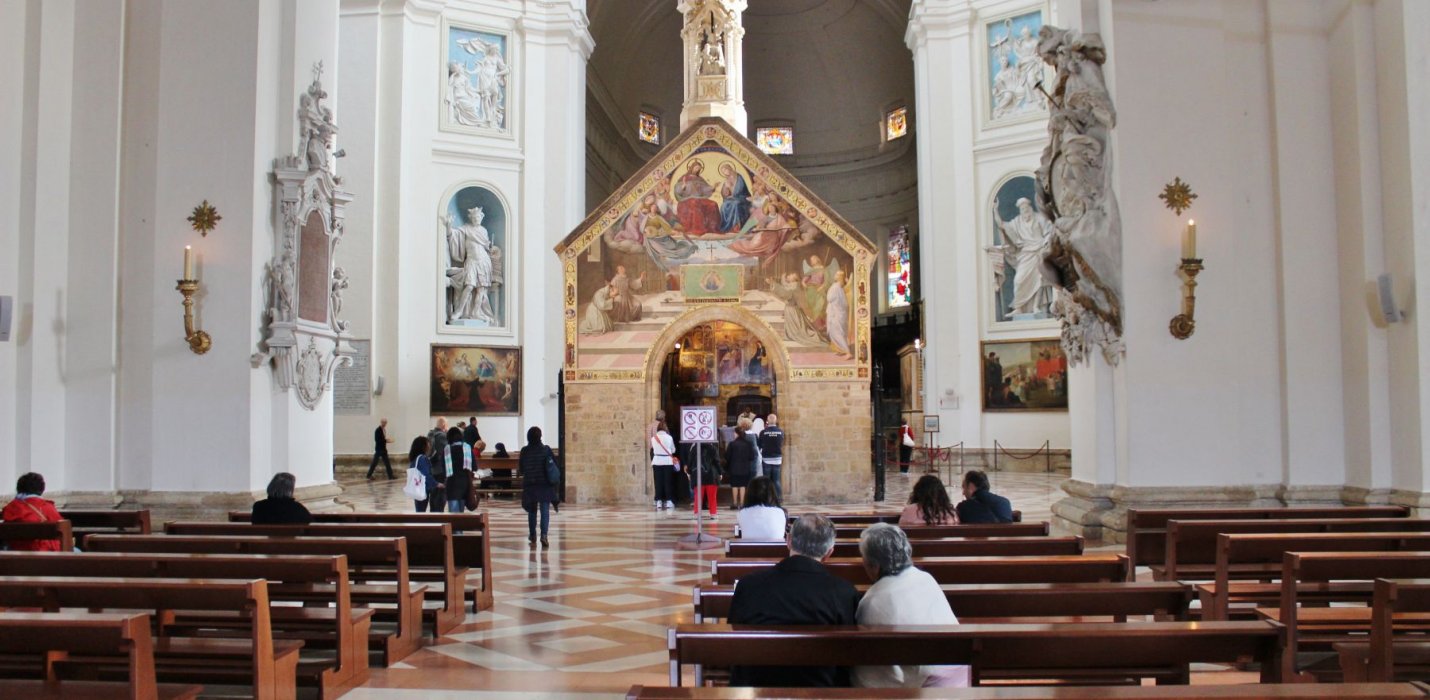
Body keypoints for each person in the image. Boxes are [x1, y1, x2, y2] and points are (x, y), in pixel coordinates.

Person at [728, 514, 860, 688]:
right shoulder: (844, 592)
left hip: (755, 688)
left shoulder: (749, 585)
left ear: (788, 541)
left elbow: (735, 637)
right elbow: (847, 652)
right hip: (821, 690)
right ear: (829, 553)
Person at [853, 524, 970, 688]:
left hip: (928, 684)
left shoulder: (874, 599)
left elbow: (873, 653)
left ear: (874, 566)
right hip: (959, 668)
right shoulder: (925, 578)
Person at [2, 472, 63, 551]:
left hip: (17, 554)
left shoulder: (10, 508)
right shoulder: (48, 507)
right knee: (77, 551)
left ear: (19, 488)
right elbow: (62, 529)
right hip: (47, 553)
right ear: (41, 489)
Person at [520, 426, 559, 547]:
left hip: (531, 484)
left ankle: (532, 535)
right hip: (545, 484)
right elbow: (554, 465)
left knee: (532, 511)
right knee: (545, 510)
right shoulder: (546, 450)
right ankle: (544, 535)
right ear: (540, 436)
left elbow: (521, 469)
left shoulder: (525, 451)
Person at [736, 476, 786, 541]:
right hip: (776, 550)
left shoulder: (742, 513)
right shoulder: (780, 512)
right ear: (771, 493)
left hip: (749, 550)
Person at [724, 416, 758, 506]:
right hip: (745, 468)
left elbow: (727, 456)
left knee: (735, 485)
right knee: (743, 485)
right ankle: (742, 503)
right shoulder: (748, 443)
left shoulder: (732, 444)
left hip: (734, 468)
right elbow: (752, 456)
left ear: (737, 434)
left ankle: (735, 503)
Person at [685, 440, 721, 519]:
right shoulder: (713, 448)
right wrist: (720, 472)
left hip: (698, 474)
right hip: (711, 475)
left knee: (698, 496)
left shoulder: (694, 448)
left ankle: (697, 513)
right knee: (712, 496)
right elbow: (717, 462)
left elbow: (690, 462)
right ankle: (713, 514)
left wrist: (689, 472)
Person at [445, 427, 474, 514]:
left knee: (453, 513)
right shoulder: (467, 449)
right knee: (460, 512)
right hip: (464, 483)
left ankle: (454, 527)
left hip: (451, 483)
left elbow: (443, 468)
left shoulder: (447, 450)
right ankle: (459, 527)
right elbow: (474, 467)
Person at [756, 414, 785, 499]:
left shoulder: (763, 432)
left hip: (766, 458)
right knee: (776, 480)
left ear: (767, 421)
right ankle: (778, 498)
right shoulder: (780, 431)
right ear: (776, 421)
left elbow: (759, 445)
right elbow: (781, 443)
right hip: (777, 458)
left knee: (766, 480)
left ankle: (766, 498)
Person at [650, 420, 677, 510]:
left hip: (657, 461)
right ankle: (669, 500)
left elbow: (653, 449)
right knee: (667, 482)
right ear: (666, 428)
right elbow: (673, 450)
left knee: (658, 482)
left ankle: (658, 501)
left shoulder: (653, 438)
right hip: (667, 461)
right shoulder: (669, 437)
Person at [408, 436, 434, 512]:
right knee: (421, 511)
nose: (429, 446)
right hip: (423, 488)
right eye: (428, 444)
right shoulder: (422, 458)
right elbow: (426, 474)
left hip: (417, 487)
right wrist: (436, 484)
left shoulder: (415, 458)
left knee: (419, 509)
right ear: (423, 446)